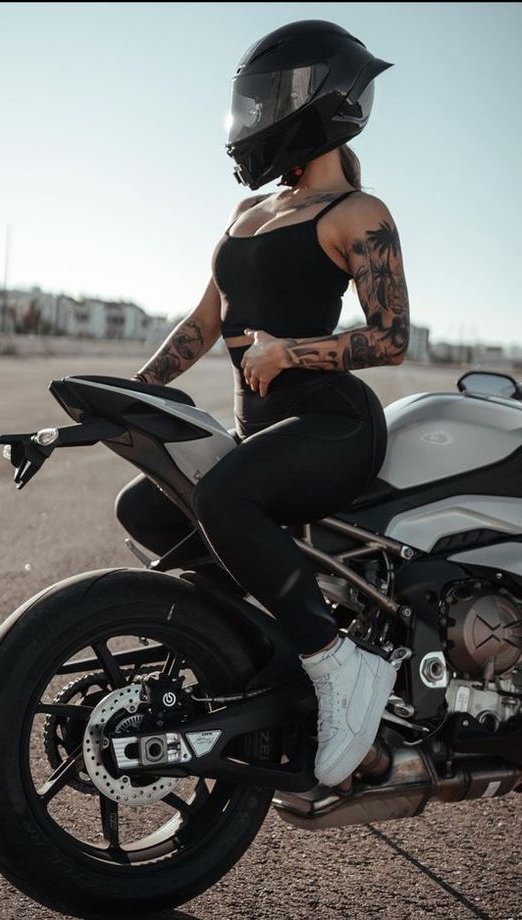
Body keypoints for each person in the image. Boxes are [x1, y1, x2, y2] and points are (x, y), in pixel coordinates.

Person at [115, 20, 410, 789]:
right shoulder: (249, 216)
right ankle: (260, 666)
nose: (251, 119)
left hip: (332, 425)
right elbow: (203, 322)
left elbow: (392, 339)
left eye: (266, 102)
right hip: (263, 433)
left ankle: (341, 667)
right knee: (148, 511)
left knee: (225, 497)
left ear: (316, 105)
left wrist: (293, 353)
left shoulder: (358, 213)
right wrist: (136, 392)